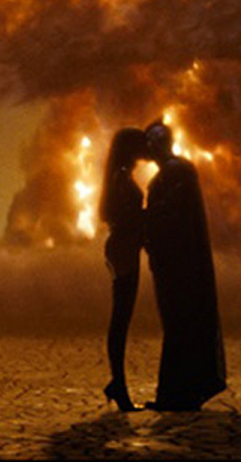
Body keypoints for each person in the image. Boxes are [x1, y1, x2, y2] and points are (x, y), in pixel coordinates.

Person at [140, 118, 227, 411]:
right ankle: (176, 394)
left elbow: (173, 216)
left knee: (181, 327)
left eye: (153, 140)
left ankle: (179, 395)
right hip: (172, 265)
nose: (149, 146)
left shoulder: (177, 171)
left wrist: (143, 222)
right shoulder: (172, 172)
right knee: (177, 327)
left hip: (181, 267)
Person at [99, 126, 150, 412]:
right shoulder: (121, 178)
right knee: (121, 318)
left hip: (122, 246)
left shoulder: (118, 176)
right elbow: (129, 217)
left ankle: (117, 383)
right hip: (124, 248)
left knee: (121, 317)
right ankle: (118, 385)